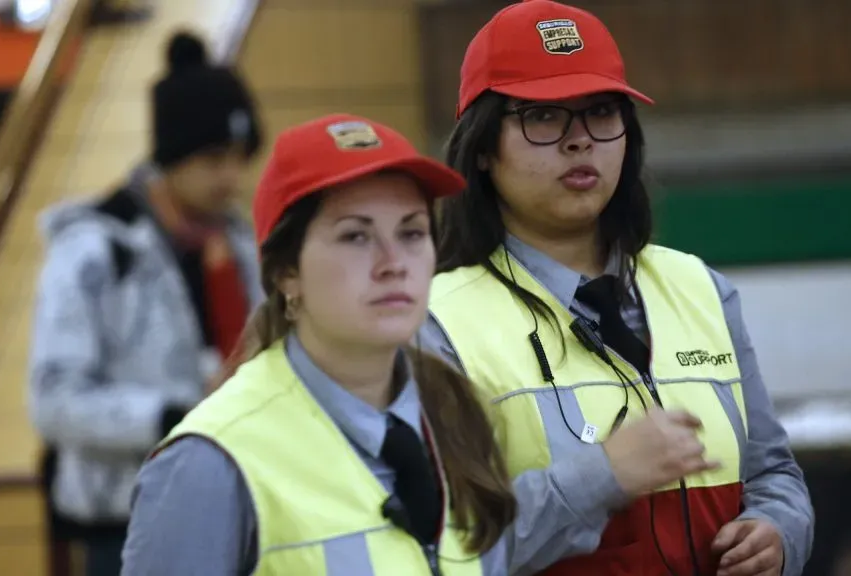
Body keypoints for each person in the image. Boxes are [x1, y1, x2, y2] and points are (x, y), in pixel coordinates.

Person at [120, 113, 633, 575]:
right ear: (285, 274)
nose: (394, 262)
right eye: (356, 236)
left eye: (412, 233)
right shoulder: (209, 463)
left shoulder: (453, 412)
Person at [421, 1, 815, 575]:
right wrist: (603, 476)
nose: (580, 140)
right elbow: (442, 542)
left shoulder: (701, 289)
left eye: (601, 112)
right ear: (482, 147)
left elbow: (774, 472)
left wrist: (779, 533)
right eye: (544, 116)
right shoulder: (438, 326)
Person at [29, 30, 263, 576]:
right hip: (124, 519)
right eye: (213, 158)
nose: (232, 176)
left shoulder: (239, 243)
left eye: (240, 156)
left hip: (236, 500)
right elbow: (54, 400)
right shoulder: (95, 248)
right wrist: (176, 415)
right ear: (171, 156)